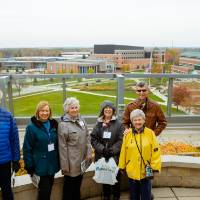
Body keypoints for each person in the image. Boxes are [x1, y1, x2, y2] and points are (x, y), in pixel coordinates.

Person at [119, 109, 161, 200]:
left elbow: (156, 151)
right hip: (132, 171)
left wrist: (154, 167)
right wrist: (122, 166)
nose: (137, 122)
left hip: (146, 172)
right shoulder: (127, 134)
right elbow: (123, 151)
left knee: (146, 196)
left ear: (143, 120)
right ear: (132, 121)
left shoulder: (150, 133)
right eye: (135, 120)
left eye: (139, 119)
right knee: (134, 197)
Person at [23, 101, 60, 200]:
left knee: (49, 190)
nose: (45, 113)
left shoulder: (54, 124)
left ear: (50, 112)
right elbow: (27, 148)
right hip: (40, 165)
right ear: (38, 112)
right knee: (44, 192)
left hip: (51, 164)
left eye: (47, 110)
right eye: (42, 111)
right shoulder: (31, 127)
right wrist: (29, 166)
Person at [58, 97, 92, 200]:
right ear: (67, 109)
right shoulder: (63, 124)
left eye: (76, 107)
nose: (75, 110)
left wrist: (89, 152)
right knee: (69, 187)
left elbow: (87, 136)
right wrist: (65, 166)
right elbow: (62, 147)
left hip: (81, 160)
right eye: (72, 108)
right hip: (71, 163)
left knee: (78, 186)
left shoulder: (81, 120)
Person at [91, 100, 124, 200]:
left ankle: (116, 196)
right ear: (103, 110)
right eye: (106, 108)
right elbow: (93, 139)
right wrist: (102, 150)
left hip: (115, 156)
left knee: (116, 177)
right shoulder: (98, 124)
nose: (108, 110)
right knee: (105, 177)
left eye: (110, 108)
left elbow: (121, 139)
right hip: (102, 156)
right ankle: (106, 196)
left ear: (113, 110)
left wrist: (112, 151)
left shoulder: (119, 124)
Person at [0, 90, 20, 200]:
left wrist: (16, 159)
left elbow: (14, 139)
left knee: (7, 191)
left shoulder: (7, 116)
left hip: (4, 163)